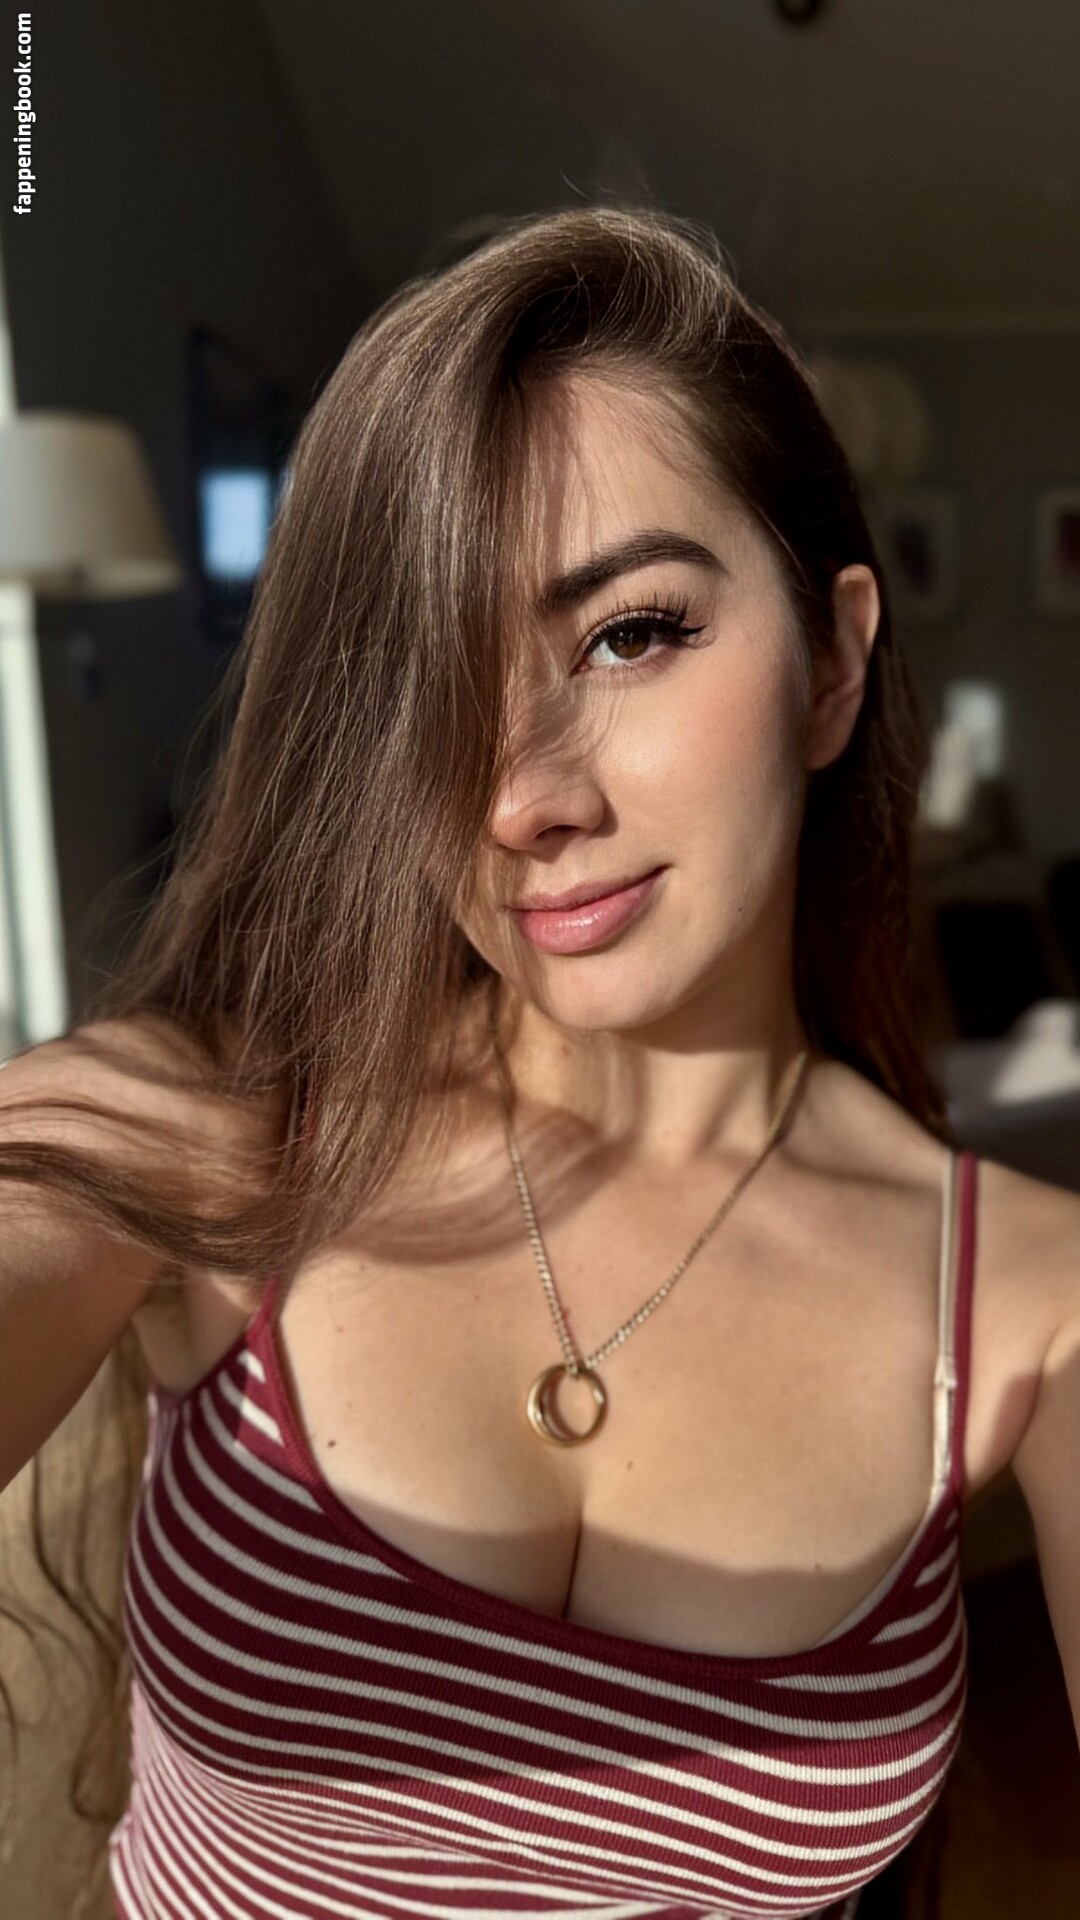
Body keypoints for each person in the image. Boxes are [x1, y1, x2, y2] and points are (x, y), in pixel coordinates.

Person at [1, 202, 1079, 1920]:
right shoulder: (217, 1127)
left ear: (833, 662)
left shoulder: (1031, 1300)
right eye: (425, 679)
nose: (518, 796)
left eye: (630, 632)